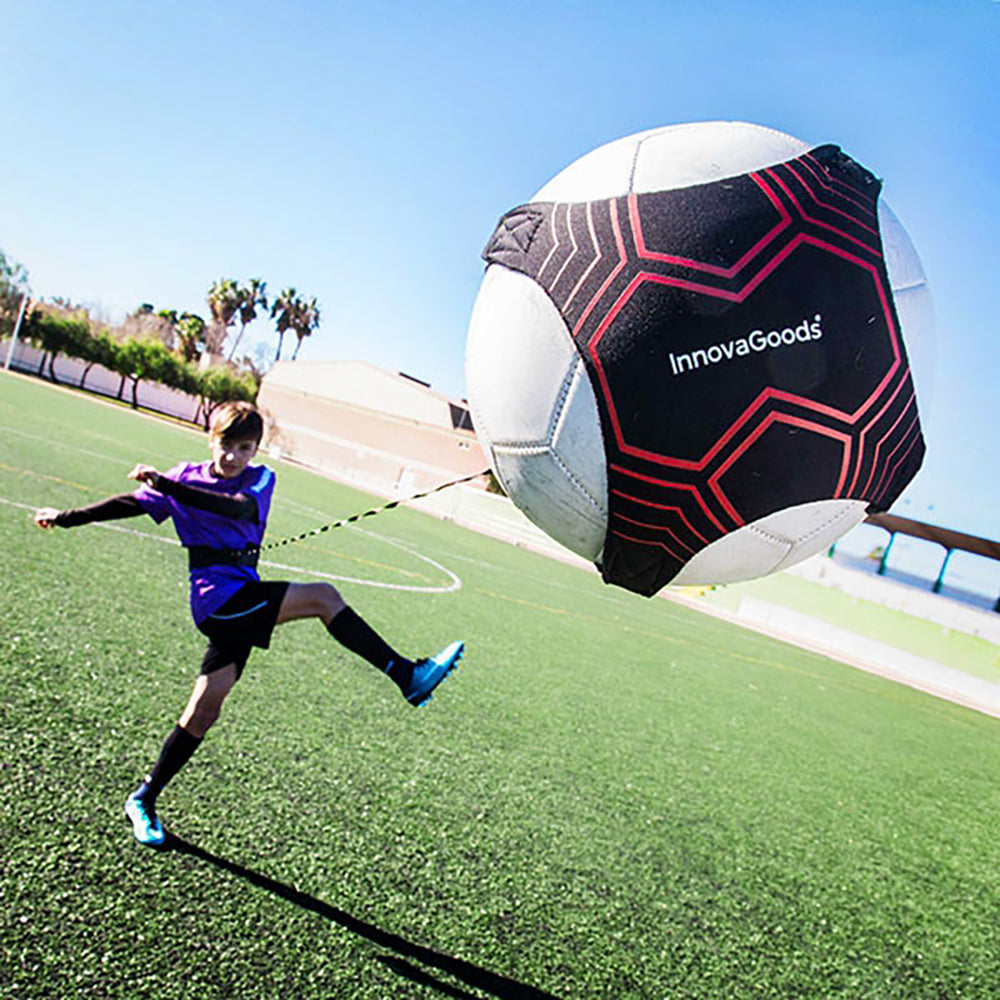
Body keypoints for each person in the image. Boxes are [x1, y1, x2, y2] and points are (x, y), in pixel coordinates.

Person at [34, 401, 464, 848]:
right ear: (210, 438)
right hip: (218, 601)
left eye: (244, 447)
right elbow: (130, 503)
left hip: (241, 598)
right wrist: (66, 517)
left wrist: (167, 485)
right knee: (323, 597)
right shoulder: (185, 475)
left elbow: (236, 509)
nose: (233, 456)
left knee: (203, 713)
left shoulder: (258, 479)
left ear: (256, 449)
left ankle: (143, 798)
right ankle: (406, 675)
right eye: (226, 444)